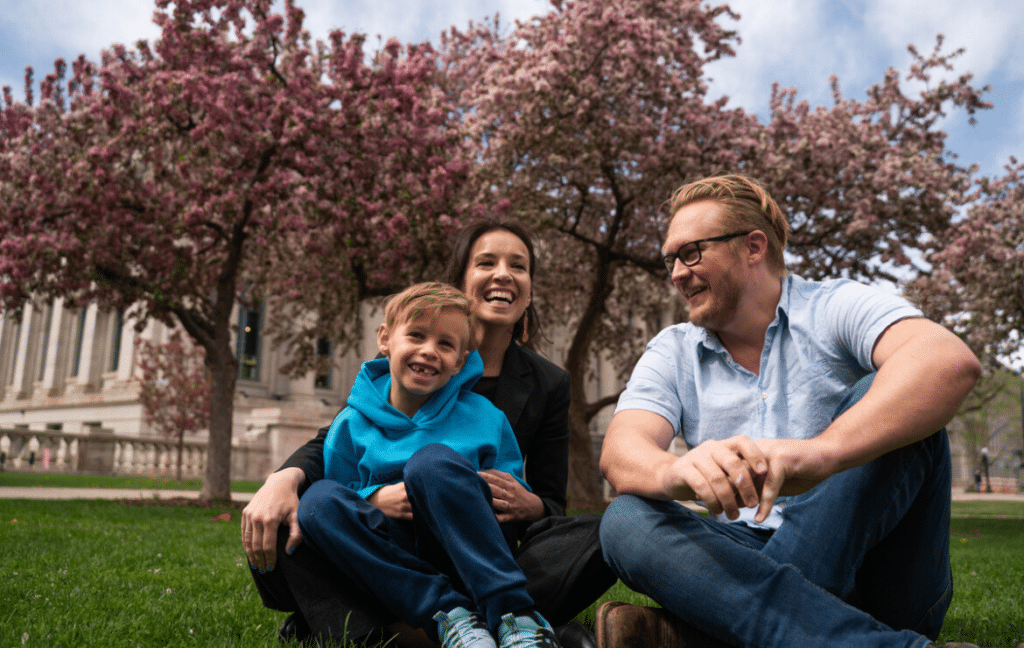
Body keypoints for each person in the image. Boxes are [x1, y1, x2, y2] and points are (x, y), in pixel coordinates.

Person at [596, 175, 983, 648]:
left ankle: (705, 631)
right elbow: (621, 450)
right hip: (743, 552)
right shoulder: (672, 349)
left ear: (753, 247)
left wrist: (822, 453)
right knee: (626, 520)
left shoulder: (834, 305)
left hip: (879, 568)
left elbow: (946, 360)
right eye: (670, 259)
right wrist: (676, 470)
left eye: (691, 252)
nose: (676, 272)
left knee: (889, 397)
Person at [242, 219, 613, 647]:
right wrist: (286, 480)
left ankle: (480, 619)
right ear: (459, 281)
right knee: (308, 517)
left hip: (474, 543)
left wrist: (528, 504)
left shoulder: (536, 390)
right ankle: (469, 623)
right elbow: (334, 457)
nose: (503, 275)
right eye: (486, 262)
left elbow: (550, 505)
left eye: (519, 266)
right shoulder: (385, 385)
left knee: (606, 532)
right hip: (389, 545)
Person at [296, 281, 560, 648]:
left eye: (445, 344)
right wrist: (374, 498)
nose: (429, 351)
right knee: (316, 502)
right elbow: (339, 496)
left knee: (431, 463)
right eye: (416, 335)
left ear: (460, 362)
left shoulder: (487, 418)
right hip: (394, 566)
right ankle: (452, 618)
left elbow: (505, 500)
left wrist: (455, 488)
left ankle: (514, 617)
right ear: (386, 339)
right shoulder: (350, 424)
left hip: (464, 554)